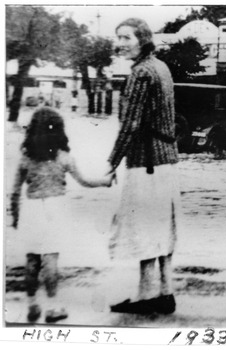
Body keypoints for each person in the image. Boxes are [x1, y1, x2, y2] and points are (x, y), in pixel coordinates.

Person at [8, 107, 113, 323]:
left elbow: (15, 191)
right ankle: (53, 307)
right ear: (59, 131)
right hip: (55, 210)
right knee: (50, 261)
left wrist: (16, 217)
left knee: (32, 260)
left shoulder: (26, 159)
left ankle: (32, 304)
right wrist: (104, 181)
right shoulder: (64, 158)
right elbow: (84, 181)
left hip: (31, 208)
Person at [106, 18, 181, 315]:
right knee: (163, 229)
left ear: (142, 39)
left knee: (144, 229)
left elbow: (131, 125)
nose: (121, 43)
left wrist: (112, 163)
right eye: (119, 37)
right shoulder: (161, 67)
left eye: (127, 37)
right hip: (167, 160)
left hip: (146, 162)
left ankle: (147, 296)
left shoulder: (140, 73)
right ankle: (165, 292)